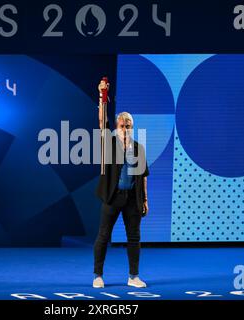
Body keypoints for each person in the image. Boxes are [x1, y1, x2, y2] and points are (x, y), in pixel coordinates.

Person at [93, 80, 149, 288]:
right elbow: (101, 121)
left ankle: (133, 276)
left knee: (134, 237)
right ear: (116, 127)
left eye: (128, 126)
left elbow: (143, 175)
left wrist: (145, 199)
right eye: (121, 125)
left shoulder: (138, 148)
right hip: (112, 196)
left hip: (132, 199)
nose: (125, 128)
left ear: (132, 127)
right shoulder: (109, 142)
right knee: (103, 235)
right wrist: (102, 96)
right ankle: (98, 275)